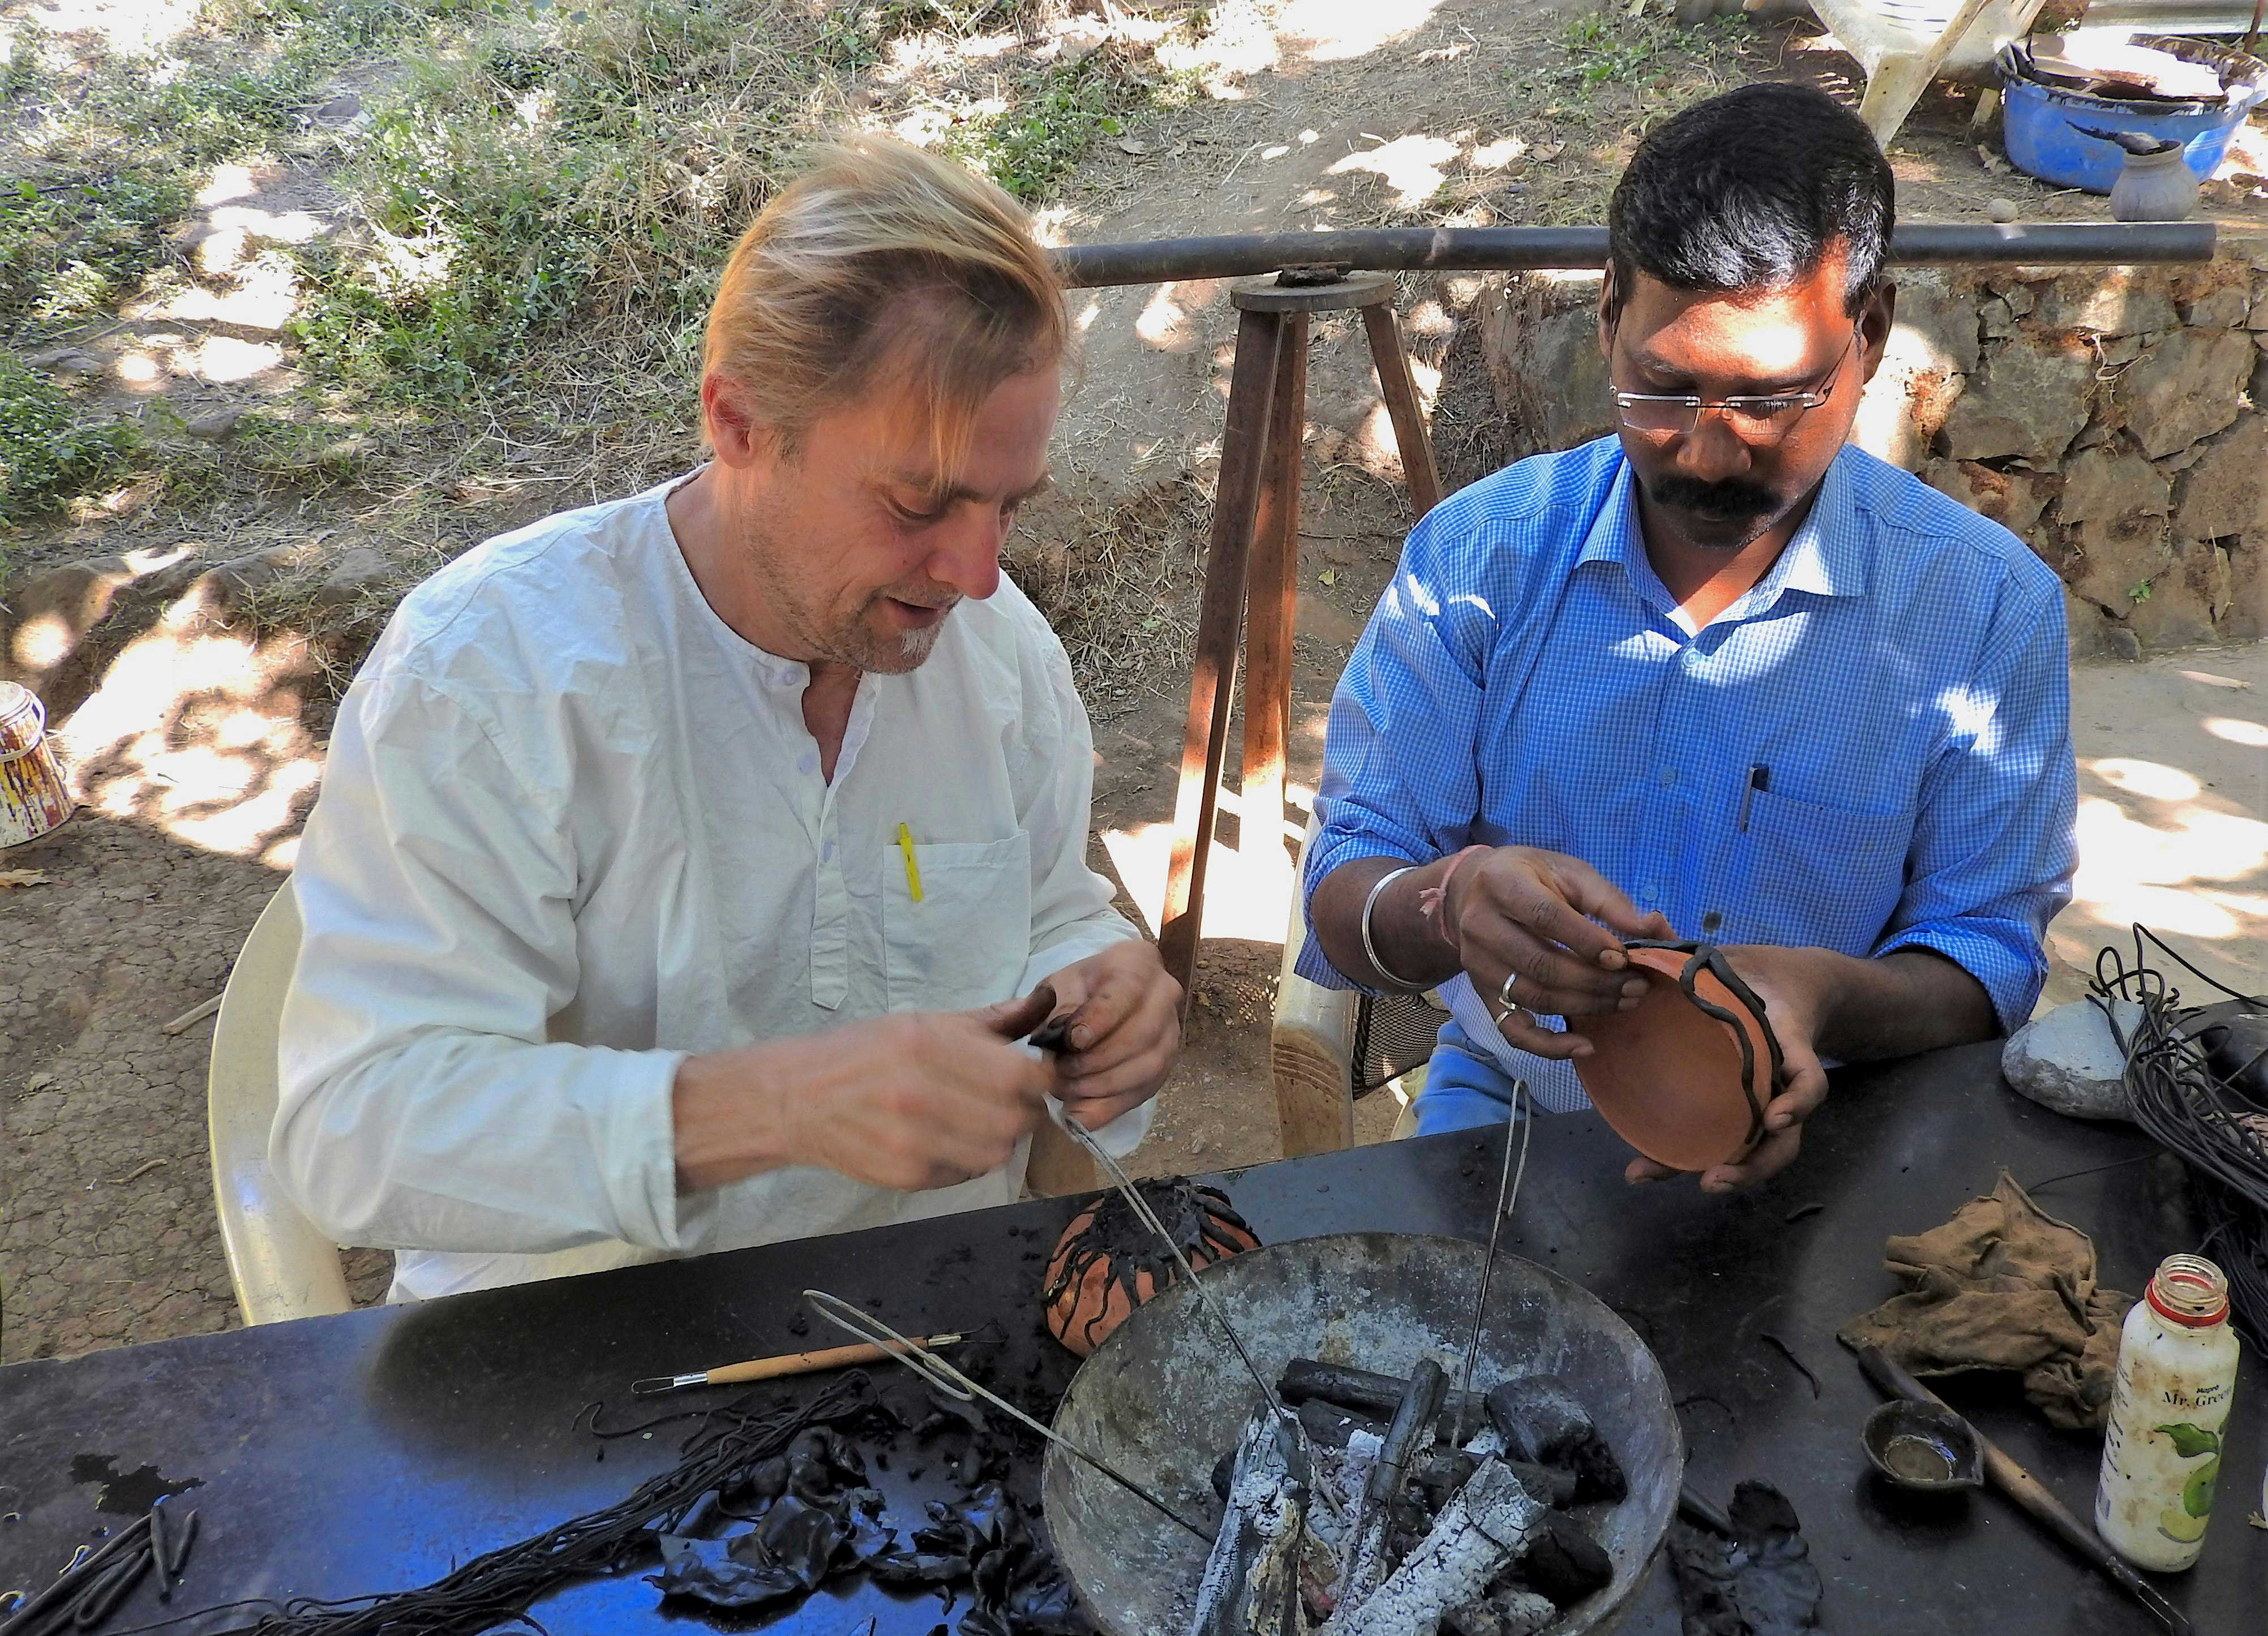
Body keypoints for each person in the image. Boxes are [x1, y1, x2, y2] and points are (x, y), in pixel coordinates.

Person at [271, 137, 1182, 1300]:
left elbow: (1045, 902)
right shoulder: (493, 671)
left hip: (930, 1332)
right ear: (739, 422)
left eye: (1009, 505)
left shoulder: (995, 652)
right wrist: (771, 1107)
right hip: (573, 1366)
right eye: (918, 502)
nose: (976, 571)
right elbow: (357, 1126)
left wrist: (1102, 983)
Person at [1298, 84, 2076, 1190]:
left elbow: (1988, 957)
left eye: (1771, 400)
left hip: (1834, 1127)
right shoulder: (1477, 560)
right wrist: (1450, 899)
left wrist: (1820, 996)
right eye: (1663, 388)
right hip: (1515, 1103)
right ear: (1609, 313)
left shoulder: (1988, 608)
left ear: (1874, 333)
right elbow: (1343, 901)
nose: (1707, 456)